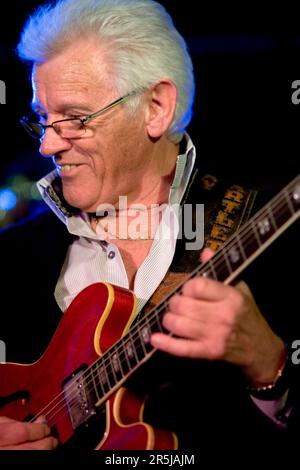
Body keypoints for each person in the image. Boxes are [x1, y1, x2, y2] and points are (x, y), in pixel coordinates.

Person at [0, 0, 299, 454]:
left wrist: (270, 367)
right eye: (42, 118)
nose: (46, 145)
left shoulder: (270, 230)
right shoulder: (11, 257)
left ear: (156, 107)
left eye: (75, 119)